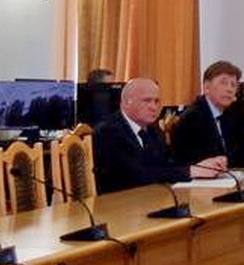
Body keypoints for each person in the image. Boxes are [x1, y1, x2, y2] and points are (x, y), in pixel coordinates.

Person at [93, 78, 226, 193]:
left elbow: (168, 163)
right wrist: (190, 171)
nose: (153, 107)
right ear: (127, 102)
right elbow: (136, 174)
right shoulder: (108, 131)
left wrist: (202, 166)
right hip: (118, 203)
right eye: (147, 101)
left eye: (157, 101)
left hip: (150, 197)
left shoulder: (153, 129)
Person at [171, 60, 244, 168]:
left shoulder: (231, 113)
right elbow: (220, 157)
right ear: (206, 87)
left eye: (233, 85)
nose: (229, 89)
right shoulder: (192, 117)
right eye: (224, 83)